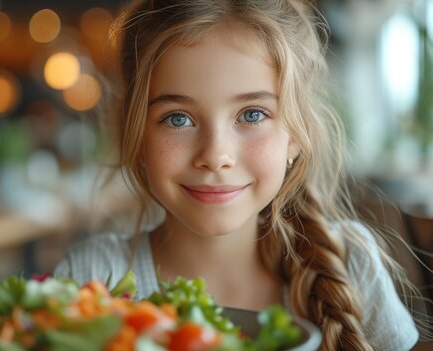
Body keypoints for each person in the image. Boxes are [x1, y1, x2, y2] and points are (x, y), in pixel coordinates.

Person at [54, 0, 422, 349]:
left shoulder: (352, 265)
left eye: (252, 115)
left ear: (296, 135)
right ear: (135, 135)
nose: (216, 156)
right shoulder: (91, 279)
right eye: (178, 118)